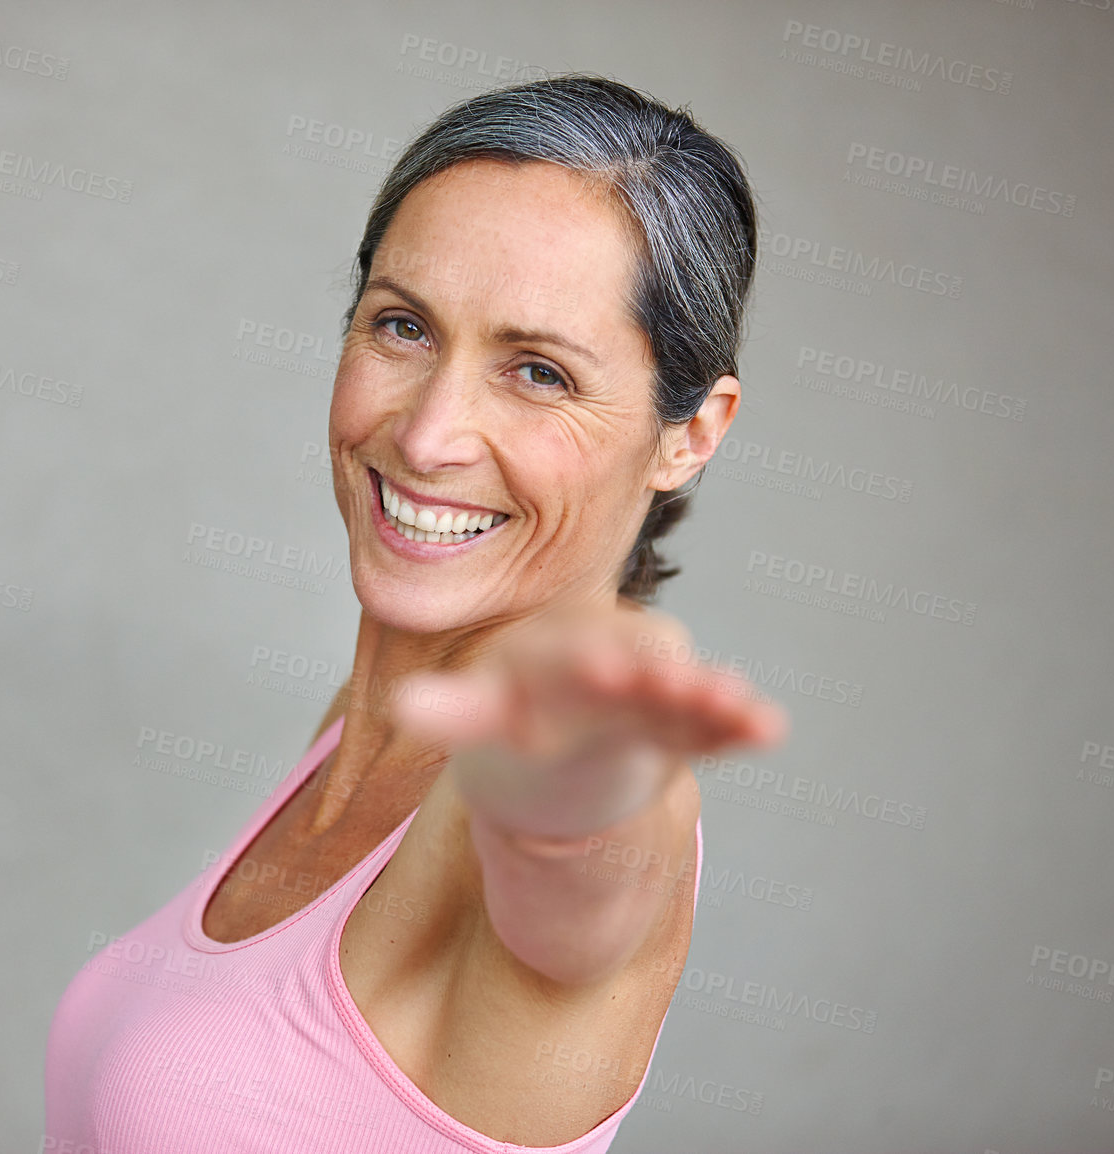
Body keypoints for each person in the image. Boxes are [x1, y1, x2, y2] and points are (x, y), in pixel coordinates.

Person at [45, 74, 788, 1152]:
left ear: (690, 432)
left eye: (537, 371)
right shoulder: (361, 727)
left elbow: (585, 880)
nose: (431, 432)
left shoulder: (563, 783)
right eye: (403, 327)